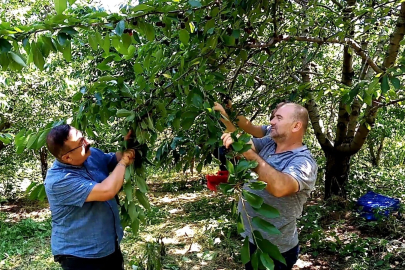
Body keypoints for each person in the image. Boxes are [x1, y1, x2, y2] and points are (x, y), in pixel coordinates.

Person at [214, 102, 318, 270]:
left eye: (278, 118)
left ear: (296, 126)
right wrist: (224, 116)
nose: (271, 122)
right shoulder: (270, 142)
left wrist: (247, 152)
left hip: (276, 249)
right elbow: (243, 147)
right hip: (252, 239)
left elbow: (279, 187)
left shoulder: (304, 162)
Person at [44, 124, 135, 270]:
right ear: (67, 157)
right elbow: (107, 190)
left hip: (108, 247)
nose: (88, 143)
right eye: (81, 143)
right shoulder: (59, 180)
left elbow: (112, 160)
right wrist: (124, 162)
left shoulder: (90, 154)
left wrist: (127, 145)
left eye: (83, 138)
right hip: (81, 257)